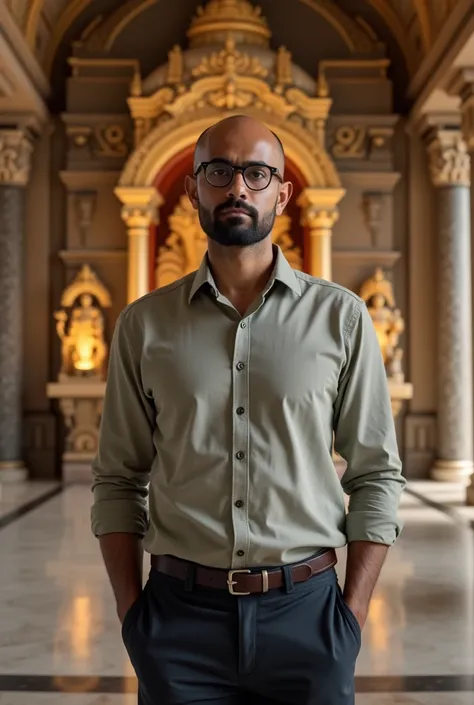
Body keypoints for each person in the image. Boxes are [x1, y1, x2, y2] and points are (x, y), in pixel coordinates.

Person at [91, 114, 405, 705]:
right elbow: (117, 478)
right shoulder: (144, 324)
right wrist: (135, 619)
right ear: (193, 190)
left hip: (308, 617)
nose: (238, 187)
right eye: (219, 171)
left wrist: (351, 619)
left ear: (282, 192)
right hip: (178, 620)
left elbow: (376, 474)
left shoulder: (341, 319)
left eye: (257, 173)